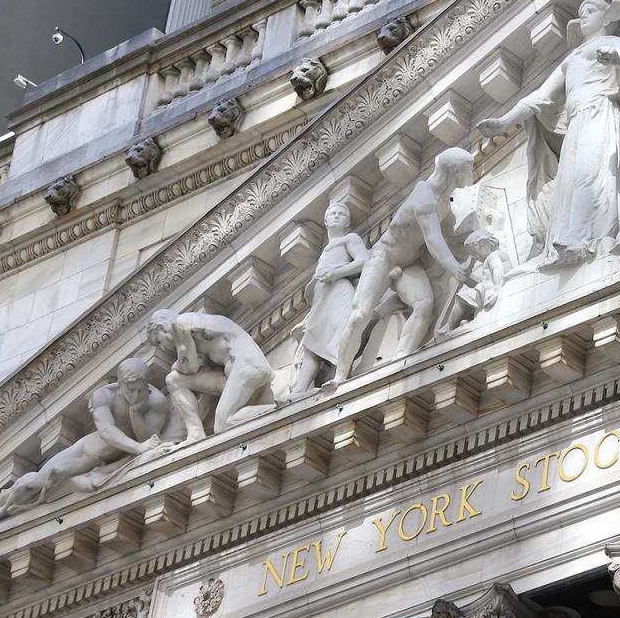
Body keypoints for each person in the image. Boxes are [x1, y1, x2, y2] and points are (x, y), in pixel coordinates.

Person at [475, 0, 620, 268]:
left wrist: (615, 58)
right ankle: (569, 240)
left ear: (606, 18)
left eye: (590, 11)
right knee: (570, 181)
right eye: (581, 14)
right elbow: (540, 97)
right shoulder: (572, 60)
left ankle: (592, 238)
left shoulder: (612, 43)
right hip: (577, 122)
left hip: (599, 113)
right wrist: (504, 122)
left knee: (592, 175)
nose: (584, 18)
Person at [0, 360, 183, 536]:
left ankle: (29, 500)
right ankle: (2, 510)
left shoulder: (155, 401)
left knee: (59, 477)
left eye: (141, 387)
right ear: (120, 383)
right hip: (86, 451)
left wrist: (135, 411)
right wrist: (139, 448)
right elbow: (108, 432)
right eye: (131, 387)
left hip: (103, 462)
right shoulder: (104, 396)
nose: (137, 392)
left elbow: (148, 438)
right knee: (30, 484)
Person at [332, 148, 476, 381]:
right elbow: (433, 240)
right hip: (384, 257)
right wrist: (454, 268)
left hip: (409, 264)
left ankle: (400, 360)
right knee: (360, 315)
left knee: (424, 304)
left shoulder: (442, 203)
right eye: (468, 171)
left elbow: (450, 236)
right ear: (456, 173)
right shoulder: (425, 196)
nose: (472, 175)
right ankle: (339, 376)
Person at [146, 309, 275, 443]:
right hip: (238, 373)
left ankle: (276, 409)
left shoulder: (181, 323)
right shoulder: (200, 324)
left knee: (223, 424)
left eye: (159, 341)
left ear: (161, 328)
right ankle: (195, 434)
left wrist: (176, 366)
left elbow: (189, 366)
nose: (163, 348)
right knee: (174, 380)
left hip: (246, 368)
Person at [289, 201, 370, 395]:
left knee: (342, 333)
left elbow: (364, 260)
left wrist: (336, 273)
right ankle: (299, 389)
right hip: (322, 298)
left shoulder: (349, 239)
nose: (335, 216)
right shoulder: (326, 249)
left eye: (340, 214)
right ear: (325, 221)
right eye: (332, 213)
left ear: (347, 221)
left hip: (339, 292)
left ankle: (341, 375)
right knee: (312, 343)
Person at [436, 230, 513, 337]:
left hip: (489, 292)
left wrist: (496, 291)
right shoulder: (498, 255)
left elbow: (497, 270)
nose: (476, 257)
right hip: (486, 291)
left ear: (484, 244)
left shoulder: (493, 256)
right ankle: (466, 320)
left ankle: (450, 326)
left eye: (475, 253)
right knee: (469, 296)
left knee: (462, 297)